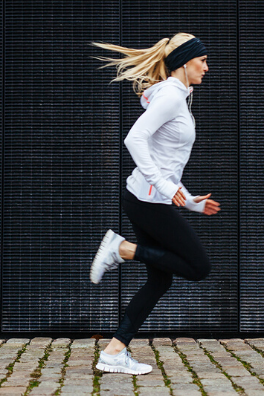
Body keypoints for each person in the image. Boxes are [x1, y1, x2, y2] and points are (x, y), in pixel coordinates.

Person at [90, 33, 221, 375]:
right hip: (149, 201)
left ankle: (114, 353)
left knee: (160, 281)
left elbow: (166, 160)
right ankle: (123, 249)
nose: (207, 68)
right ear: (185, 61)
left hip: (145, 198)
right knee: (198, 267)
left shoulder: (177, 95)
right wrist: (163, 185)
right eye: (203, 61)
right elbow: (134, 138)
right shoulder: (171, 97)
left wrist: (190, 202)